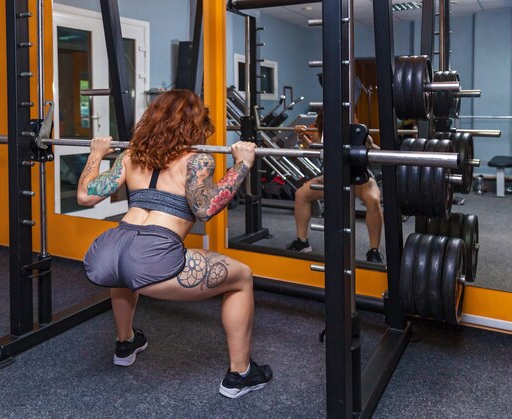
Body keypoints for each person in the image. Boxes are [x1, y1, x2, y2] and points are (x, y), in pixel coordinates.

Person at [77, 89, 272, 399]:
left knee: (125, 272)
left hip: (109, 250)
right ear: (196, 123)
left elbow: (86, 195)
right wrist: (242, 164)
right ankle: (241, 373)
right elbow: (206, 209)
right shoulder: (197, 160)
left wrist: (96, 154)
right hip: (154, 256)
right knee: (242, 277)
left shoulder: (130, 156)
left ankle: (126, 342)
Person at [286, 109, 384, 263]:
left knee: (374, 201)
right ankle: (302, 241)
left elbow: (377, 151)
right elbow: (309, 148)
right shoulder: (321, 133)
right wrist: (300, 135)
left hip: (359, 177)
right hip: (333, 177)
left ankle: (374, 250)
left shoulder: (359, 132)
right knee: (301, 194)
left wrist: (370, 144)